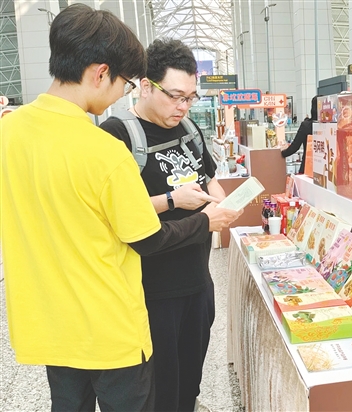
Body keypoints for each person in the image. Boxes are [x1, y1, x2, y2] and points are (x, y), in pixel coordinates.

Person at [0, 5, 240, 411]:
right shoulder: (105, 149)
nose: (122, 93)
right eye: (125, 83)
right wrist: (204, 221)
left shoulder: (8, 132)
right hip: (109, 325)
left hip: (49, 324)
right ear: (100, 73)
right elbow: (145, 237)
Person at [100, 38, 229, 412]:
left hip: (198, 280)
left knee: (190, 379)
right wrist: (173, 200)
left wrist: (220, 201)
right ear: (145, 86)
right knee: (159, 388)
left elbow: (209, 178)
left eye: (190, 97)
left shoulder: (188, 128)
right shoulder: (117, 135)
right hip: (151, 291)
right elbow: (112, 214)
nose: (183, 106)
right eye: (175, 96)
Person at [281, 95, 319, 174]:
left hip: (308, 167)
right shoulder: (332, 126)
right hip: (326, 169)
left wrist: (282, 153)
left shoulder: (306, 125)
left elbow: (295, 147)